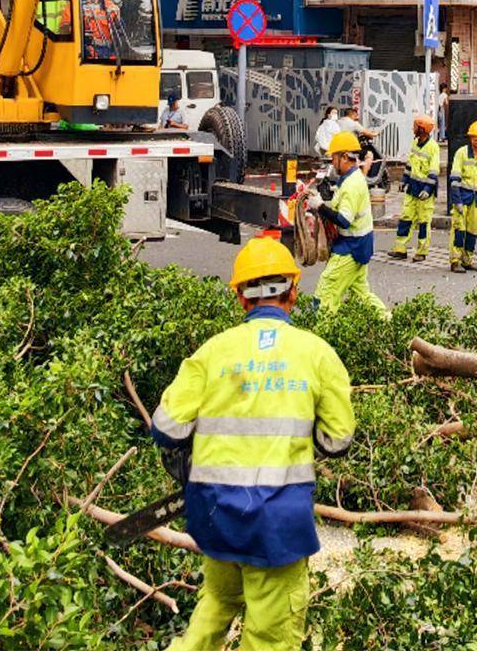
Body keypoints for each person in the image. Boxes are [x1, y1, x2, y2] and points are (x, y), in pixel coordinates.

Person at [151, 236, 356, 651]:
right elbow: (337, 439)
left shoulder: (213, 352)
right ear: (293, 292)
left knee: (214, 605)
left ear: (241, 299)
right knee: (270, 635)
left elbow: (166, 427)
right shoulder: (317, 354)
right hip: (277, 523)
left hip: (214, 512)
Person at [311, 128, 387, 319]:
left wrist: (320, 206)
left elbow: (344, 220)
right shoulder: (351, 179)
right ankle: (389, 322)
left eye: (334, 158)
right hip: (360, 246)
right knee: (362, 296)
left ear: (344, 157)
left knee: (325, 291)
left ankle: (323, 334)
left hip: (350, 249)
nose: (332, 162)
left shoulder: (352, 184)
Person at [394, 111, 442, 263]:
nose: (413, 128)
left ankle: (422, 251)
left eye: (415, 126)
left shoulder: (433, 147)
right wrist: (403, 180)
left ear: (422, 129)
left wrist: (427, 190)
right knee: (405, 218)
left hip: (424, 192)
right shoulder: (415, 143)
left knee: (423, 222)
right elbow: (410, 165)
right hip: (412, 188)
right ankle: (400, 249)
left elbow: (434, 171)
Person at [448, 119, 477, 273]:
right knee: (459, 229)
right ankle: (455, 261)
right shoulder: (462, 153)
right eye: (473, 137)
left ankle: (467, 260)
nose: (476, 140)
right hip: (463, 197)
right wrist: (457, 200)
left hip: (476, 199)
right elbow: (454, 178)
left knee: (472, 230)